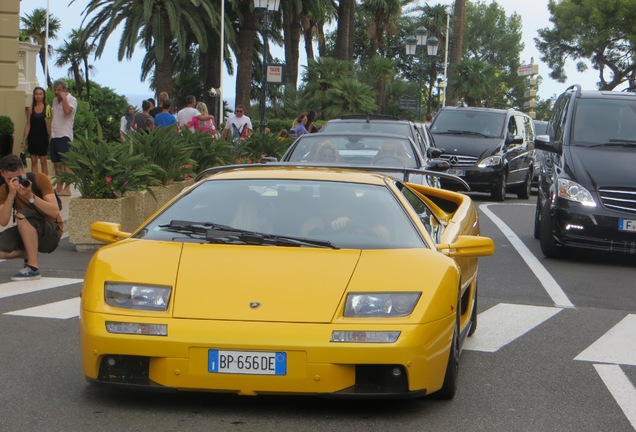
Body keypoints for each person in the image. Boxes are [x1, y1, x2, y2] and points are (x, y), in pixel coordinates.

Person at [0, 154, 63, 281]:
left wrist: (31, 196)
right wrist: (11, 195)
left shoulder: (39, 179)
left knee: (22, 215)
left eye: (17, 177)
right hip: (26, 230)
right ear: (2, 174)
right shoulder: (4, 190)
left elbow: (54, 211)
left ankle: (33, 268)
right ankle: (30, 252)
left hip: (50, 230)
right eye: (9, 179)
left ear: (23, 170)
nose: (14, 182)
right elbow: (3, 221)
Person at [50, 80, 77, 196]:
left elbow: (67, 112)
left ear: (64, 90)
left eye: (59, 90)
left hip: (64, 135)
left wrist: (64, 98)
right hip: (54, 135)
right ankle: (59, 187)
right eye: (55, 90)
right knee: (57, 163)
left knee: (66, 164)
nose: (56, 92)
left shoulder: (72, 100)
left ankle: (67, 189)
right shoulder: (55, 101)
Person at [21, 86, 49, 175]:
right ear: (34, 95)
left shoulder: (47, 108)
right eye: (36, 94)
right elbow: (28, 124)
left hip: (43, 137)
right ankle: (35, 182)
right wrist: (24, 140)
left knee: (43, 161)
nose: (38, 96)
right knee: (33, 161)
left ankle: (45, 182)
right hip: (32, 137)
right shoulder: (30, 109)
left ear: (43, 95)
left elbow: (50, 124)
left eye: (40, 94)